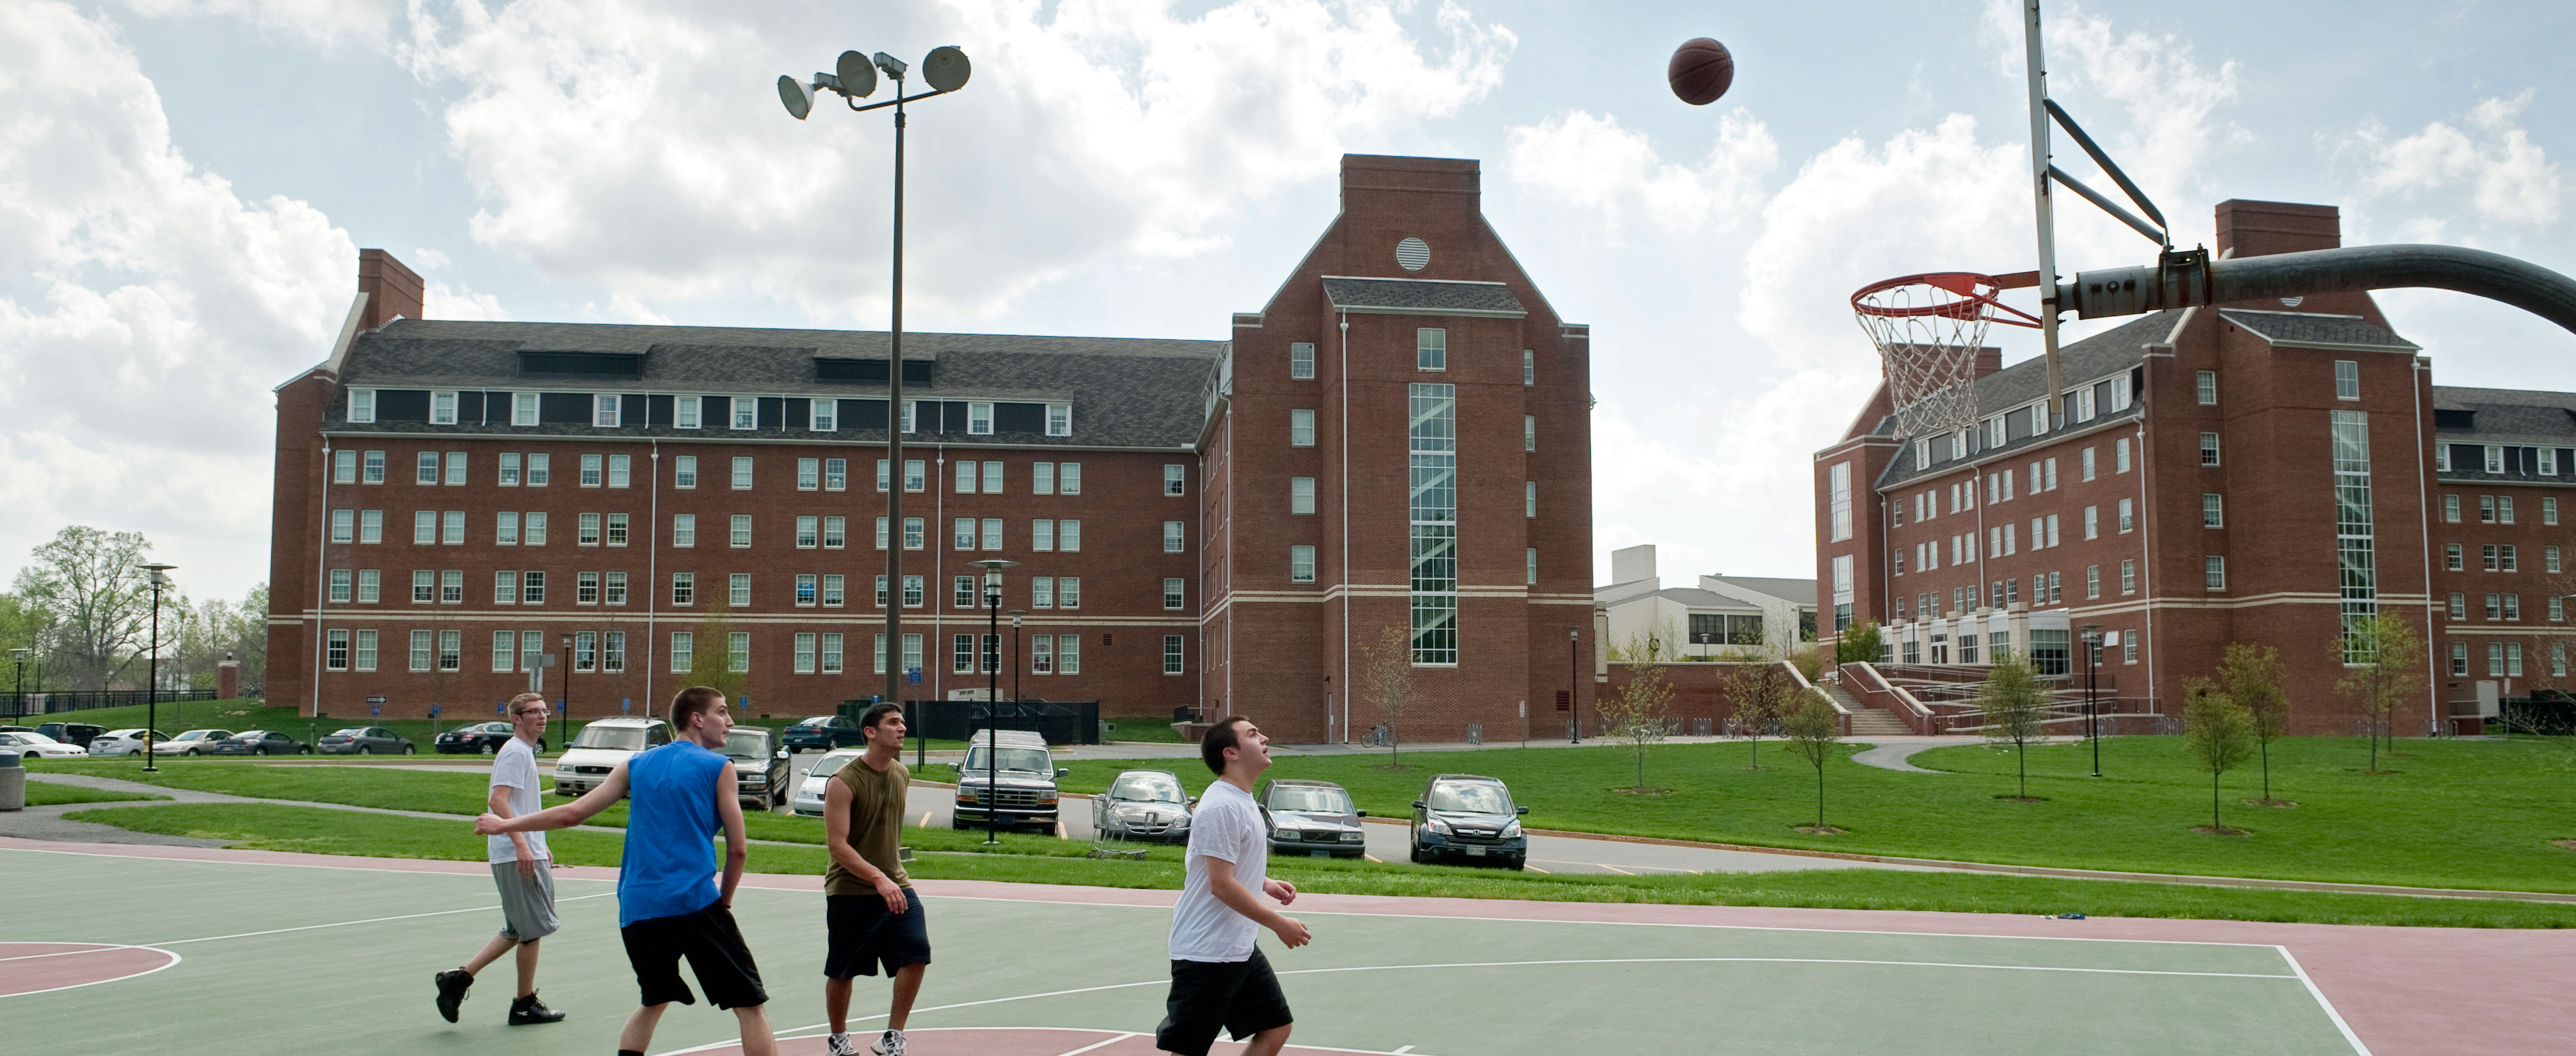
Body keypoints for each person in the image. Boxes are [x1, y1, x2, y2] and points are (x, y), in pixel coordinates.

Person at [477, 686, 777, 1056]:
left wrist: (506, 825)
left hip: (637, 908)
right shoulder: (720, 768)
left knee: (654, 1000)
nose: (730, 722)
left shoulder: (634, 765)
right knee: (750, 1006)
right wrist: (724, 904)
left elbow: (573, 814)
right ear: (697, 719)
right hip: (694, 903)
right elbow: (738, 849)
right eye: (723, 712)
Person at [1156, 716, 1309, 1056]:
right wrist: (1278, 923)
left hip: (1237, 948)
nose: (1264, 736)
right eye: (1253, 734)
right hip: (1206, 953)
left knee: (1276, 1027)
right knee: (1189, 1049)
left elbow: (1221, 860)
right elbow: (1221, 885)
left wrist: (1263, 882)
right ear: (1231, 753)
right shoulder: (1221, 805)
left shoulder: (1241, 799)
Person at [434, 692, 567, 1026]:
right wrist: (522, 844)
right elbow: (498, 801)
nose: (541, 716)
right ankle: (524, 1005)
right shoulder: (515, 753)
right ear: (516, 719)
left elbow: (523, 806)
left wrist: (540, 842)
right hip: (515, 854)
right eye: (532, 712)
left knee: (517, 928)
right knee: (531, 931)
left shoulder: (524, 752)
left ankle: (458, 980)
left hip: (526, 849)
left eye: (544, 711)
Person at [820, 702, 928, 1056]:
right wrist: (877, 878)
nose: (902, 729)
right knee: (842, 971)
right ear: (871, 732)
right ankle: (838, 1041)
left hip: (896, 884)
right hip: (850, 889)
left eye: (903, 723)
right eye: (893, 723)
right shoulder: (844, 782)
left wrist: (888, 878)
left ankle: (893, 1037)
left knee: (916, 954)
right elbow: (837, 846)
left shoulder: (901, 774)